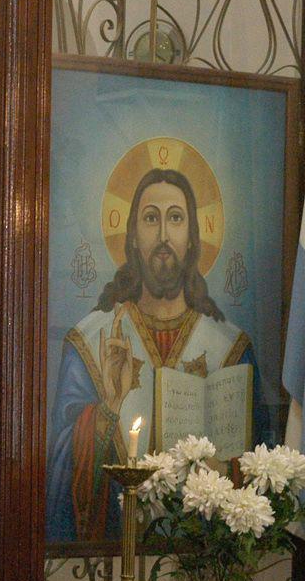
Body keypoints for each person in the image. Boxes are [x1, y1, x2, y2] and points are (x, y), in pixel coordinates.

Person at [45, 167, 267, 543]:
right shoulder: (91, 341)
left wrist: (225, 470)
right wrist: (107, 409)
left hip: (200, 563)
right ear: (132, 236)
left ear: (192, 236)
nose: (164, 235)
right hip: (110, 559)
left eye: (175, 219)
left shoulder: (232, 348)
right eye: (151, 219)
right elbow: (60, 470)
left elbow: (261, 465)